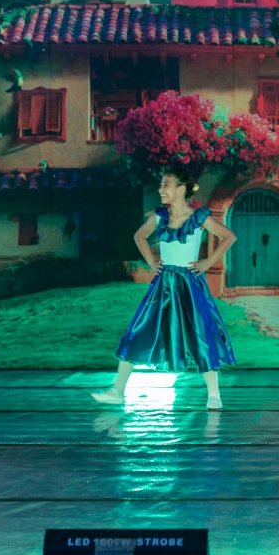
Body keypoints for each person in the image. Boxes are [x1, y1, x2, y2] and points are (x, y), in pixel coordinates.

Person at [92, 168, 237, 410]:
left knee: (201, 334)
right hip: (164, 285)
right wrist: (151, 261)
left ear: (181, 189)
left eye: (166, 185)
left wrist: (208, 262)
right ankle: (117, 390)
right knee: (139, 330)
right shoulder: (160, 217)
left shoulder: (198, 217)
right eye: (161, 185)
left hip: (190, 285)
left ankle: (214, 394)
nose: (161, 189)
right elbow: (139, 236)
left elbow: (229, 236)